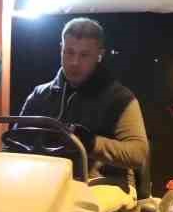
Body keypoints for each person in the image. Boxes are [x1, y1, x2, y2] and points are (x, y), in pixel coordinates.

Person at [12, 17, 149, 192]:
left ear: (99, 55)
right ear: (61, 49)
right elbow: (13, 142)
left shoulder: (119, 98)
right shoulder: (40, 94)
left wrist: (91, 143)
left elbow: (138, 153)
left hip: (104, 185)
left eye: (84, 55)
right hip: (47, 182)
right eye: (69, 52)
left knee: (74, 205)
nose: (74, 62)